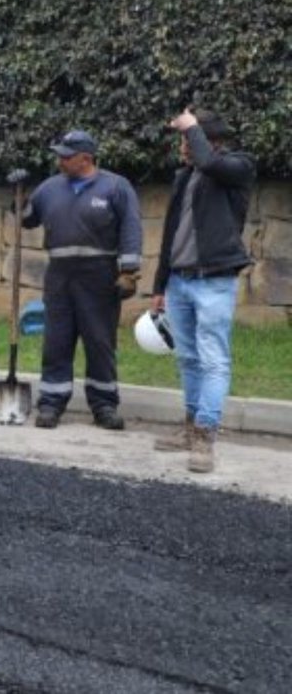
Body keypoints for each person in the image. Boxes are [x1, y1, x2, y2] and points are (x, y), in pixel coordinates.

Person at [150, 108, 255, 473]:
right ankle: (190, 426)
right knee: (188, 358)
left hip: (214, 281)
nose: (182, 147)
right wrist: (160, 284)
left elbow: (211, 163)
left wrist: (191, 126)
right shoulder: (186, 177)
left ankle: (205, 435)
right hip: (179, 281)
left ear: (206, 139)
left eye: (187, 139)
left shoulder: (238, 166)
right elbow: (170, 235)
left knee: (214, 360)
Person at [17, 130, 143, 430]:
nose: (60, 160)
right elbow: (27, 218)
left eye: (66, 156)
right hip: (59, 275)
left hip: (99, 276)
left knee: (100, 342)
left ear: (86, 158)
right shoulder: (49, 189)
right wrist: (17, 195)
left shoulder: (116, 187)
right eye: (59, 155)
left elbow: (131, 228)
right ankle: (50, 404)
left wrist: (128, 271)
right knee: (56, 341)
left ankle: (104, 406)